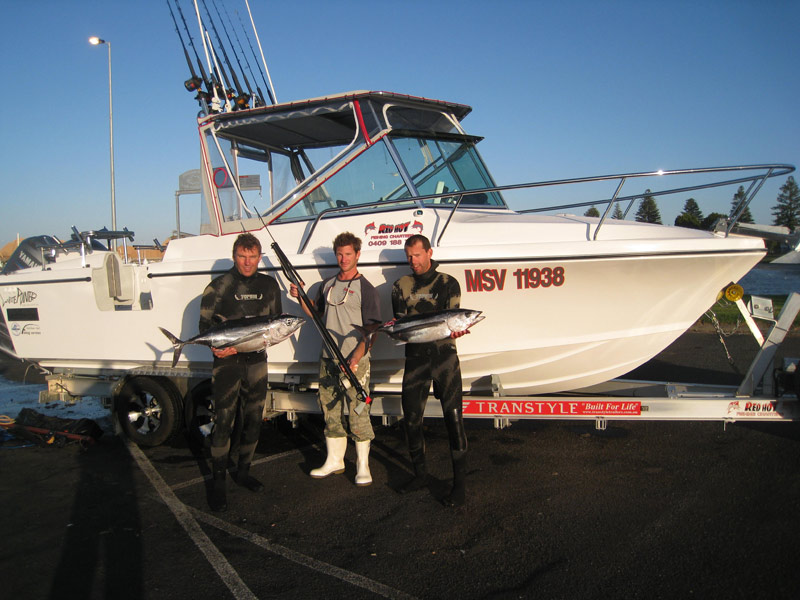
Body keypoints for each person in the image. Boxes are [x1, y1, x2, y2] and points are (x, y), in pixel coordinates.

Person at [289, 232, 381, 485]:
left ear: (357, 255)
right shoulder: (327, 285)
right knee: (329, 409)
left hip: (355, 362)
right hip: (328, 359)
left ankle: (363, 465)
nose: (343, 258)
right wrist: (300, 296)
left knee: (358, 410)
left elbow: (373, 331)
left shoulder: (367, 289)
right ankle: (334, 460)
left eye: (348, 254)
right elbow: (315, 314)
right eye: (339, 254)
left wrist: (356, 356)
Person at [199, 233, 281, 512]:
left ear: (260, 257)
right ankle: (218, 482)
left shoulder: (269, 286)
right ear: (234, 256)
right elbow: (204, 328)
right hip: (227, 365)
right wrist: (217, 348)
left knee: (254, 419)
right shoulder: (218, 287)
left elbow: (276, 325)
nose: (247, 262)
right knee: (224, 421)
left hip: (257, 362)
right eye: (242, 257)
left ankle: (243, 472)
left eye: (253, 257)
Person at [392, 234, 469, 507]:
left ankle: (459, 485)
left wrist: (456, 330)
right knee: (412, 419)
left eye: (417, 255)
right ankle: (420, 475)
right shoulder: (400, 286)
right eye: (409, 256)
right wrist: (391, 332)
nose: (413, 261)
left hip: (445, 359)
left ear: (429, 252)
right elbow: (400, 328)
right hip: (415, 361)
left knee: (454, 420)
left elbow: (454, 320)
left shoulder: (449, 283)